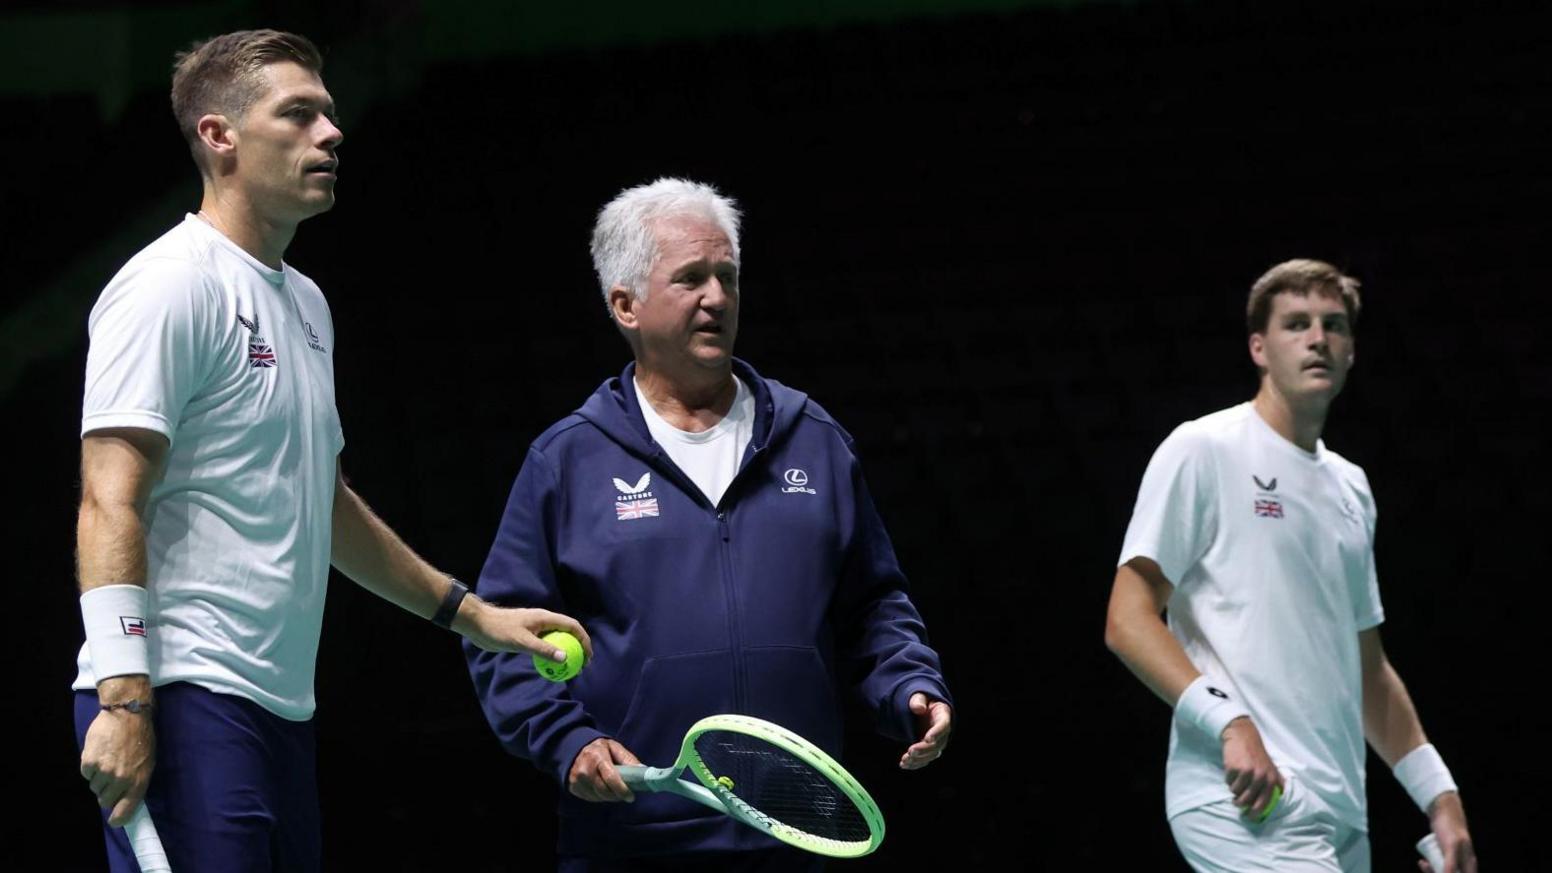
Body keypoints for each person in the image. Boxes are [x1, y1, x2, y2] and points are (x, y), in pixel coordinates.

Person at [73, 29, 589, 872]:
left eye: (331, 114)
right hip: (180, 693)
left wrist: (474, 615)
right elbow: (108, 496)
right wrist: (125, 697)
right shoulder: (168, 284)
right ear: (219, 135)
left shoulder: (306, 303)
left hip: (280, 709)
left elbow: (324, 501)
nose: (332, 133)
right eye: (300, 114)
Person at [466, 178, 954, 871]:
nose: (718, 298)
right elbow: (502, 635)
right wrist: (565, 739)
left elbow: (873, 601)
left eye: (727, 276)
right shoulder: (566, 459)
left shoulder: (813, 439)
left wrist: (909, 682)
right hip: (630, 841)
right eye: (691, 278)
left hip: (792, 833)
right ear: (625, 305)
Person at [1103, 259, 1477, 872]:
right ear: (1259, 346)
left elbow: (1369, 670)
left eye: (1333, 325)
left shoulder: (1351, 489)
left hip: (1342, 815)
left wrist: (1439, 795)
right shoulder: (1205, 448)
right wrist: (1229, 721)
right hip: (1242, 798)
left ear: (1351, 350)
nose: (1317, 338)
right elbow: (1128, 617)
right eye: (1296, 324)